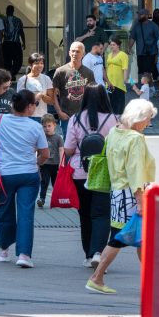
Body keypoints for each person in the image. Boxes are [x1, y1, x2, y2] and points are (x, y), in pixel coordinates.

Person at [86, 99, 158, 294]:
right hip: (132, 194)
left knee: (140, 238)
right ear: (139, 118)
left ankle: (151, 281)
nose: (148, 124)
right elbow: (136, 171)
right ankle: (97, 277)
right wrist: (141, 201)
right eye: (148, 119)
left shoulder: (114, 132)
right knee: (119, 239)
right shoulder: (135, 139)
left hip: (118, 192)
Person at [0, 90, 49, 268]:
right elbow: (45, 154)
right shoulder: (35, 127)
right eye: (35, 104)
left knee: (5, 210)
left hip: (5, 174)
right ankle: (24, 255)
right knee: (26, 213)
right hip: (29, 174)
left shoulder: (0, 120)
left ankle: (3, 249)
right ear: (29, 107)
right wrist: (37, 164)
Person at [63, 85, 119, 265]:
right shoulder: (113, 119)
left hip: (80, 172)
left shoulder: (75, 119)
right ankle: (98, 253)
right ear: (105, 98)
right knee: (102, 214)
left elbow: (69, 149)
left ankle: (88, 255)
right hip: (104, 173)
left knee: (85, 214)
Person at [50, 41, 96, 138]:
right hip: (66, 116)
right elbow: (53, 94)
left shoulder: (89, 73)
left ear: (83, 54)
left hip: (83, 116)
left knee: (83, 145)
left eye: (78, 51)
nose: (75, 54)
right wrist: (59, 112)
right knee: (68, 146)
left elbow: (92, 95)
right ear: (69, 53)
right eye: (73, 51)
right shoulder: (60, 71)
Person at [36, 114, 63, 208]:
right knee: (44, 182)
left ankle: (56, 199)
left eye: (49, 126)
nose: (47, 128)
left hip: (55, 164)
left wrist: (61, 164)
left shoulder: (58, 138)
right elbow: (36, 149)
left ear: (54, 125)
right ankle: (42, 199)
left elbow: (61, 150)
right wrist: (36, 162)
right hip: (45, 164)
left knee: (56, 183)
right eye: (44, 126)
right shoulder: (41, 137)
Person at [16, 52, 53, 118]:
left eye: (41, 63)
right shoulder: (23, 80)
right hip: (27, 116)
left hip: (42, 117)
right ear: (30, 65)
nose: (40, 65)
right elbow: (19, 101)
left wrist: (42, 96)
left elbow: (52, 101)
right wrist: (34, 98)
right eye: (36, 63)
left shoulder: (46, 79)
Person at [130, 9, 159, 83]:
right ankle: (149, 88)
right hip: (140, 52)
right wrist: (129, 48)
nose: (139, 16)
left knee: (147, 72)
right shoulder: (136, 26)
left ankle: (148, 88)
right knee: (142, 72)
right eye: (138, 14)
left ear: (146, 16)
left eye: (141, 15)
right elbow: (132, 38)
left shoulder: (153, 26)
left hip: (151, 52)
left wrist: (157, 54)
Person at [103, 39, 131, 115]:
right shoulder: (109, 54)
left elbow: (125, 68)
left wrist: (124, 80)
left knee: (119, 103)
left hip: (119, 82)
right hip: (110, 82)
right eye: (111, 45)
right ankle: (113, 121)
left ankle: (119, 120)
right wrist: (106, 80)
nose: (112, 46)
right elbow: (107, 67)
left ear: (118, 45)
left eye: (113, 44)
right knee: (111, 102)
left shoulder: (123, 55)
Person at [2, 5, 26, 76]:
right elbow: (21, 32)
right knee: (18, 61)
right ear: (13, 11)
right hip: (16, 43)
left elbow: (0, 32)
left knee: (7, 61)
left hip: (6, 43)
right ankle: (12, 74)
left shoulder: (3, 20)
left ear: (7, 11)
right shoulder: (18, 20)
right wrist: (24, 42)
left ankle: (9, 75)